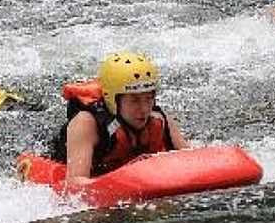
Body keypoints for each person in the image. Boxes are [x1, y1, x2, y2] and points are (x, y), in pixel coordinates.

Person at [48, 51, 191, 187]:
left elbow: (192, 159)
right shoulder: (86, 123)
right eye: (134, 100)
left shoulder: (159, 120)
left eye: (148, 98)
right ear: (113, 100)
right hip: (63, 162)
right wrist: (126, 183)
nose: (144, 109)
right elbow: (75, 183)